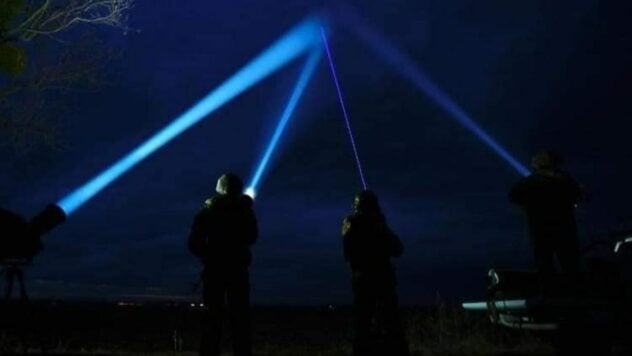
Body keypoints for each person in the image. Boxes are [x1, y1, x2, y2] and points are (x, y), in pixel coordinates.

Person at [188, 173, 258, 356]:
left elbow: (193, 243)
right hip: (238, 270)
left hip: (214, 271)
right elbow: (252, 236)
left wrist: (208, 255)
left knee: (212, 319)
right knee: (240, 319)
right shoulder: (244, 210)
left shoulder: (207, 210)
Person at [341, 190, 409, 356]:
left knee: (364, 324)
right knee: (388, 323)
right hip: (378, 281)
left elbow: (397, 248)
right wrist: (381, 226)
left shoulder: (351, 223)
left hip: (364, 281)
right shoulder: (373, 225)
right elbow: (397, 248)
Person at [509, 150, 584, 290]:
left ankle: (550, 294)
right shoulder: (565, 180)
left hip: (540, 229)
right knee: (570, 261)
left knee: (544, 263)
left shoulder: (531, 181)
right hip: (565, 228)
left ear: (538, 164)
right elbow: (580, 196)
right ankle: (576, 292)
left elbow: (513, 195)